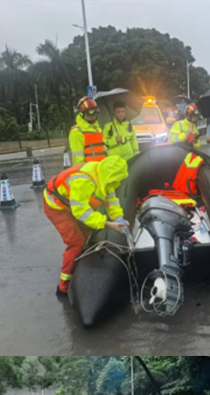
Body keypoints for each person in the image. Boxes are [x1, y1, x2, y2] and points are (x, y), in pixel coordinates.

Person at [44, 155, 130, 296]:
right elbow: (80, 211)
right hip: (57, 206)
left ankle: (79, 266)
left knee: (86, 233)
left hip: (71, 203)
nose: (117, 183)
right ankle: (63, 287)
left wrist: (119, 218)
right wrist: (107, 224)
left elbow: (112, 200)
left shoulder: (105, 176)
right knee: (76, 243)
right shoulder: (84, 181)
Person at [68, 96, 108, 166]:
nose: (93, 115)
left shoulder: (98, 129)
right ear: (83, 114)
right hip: (89, 172)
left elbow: (105, 151)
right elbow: (78, 160)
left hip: (102, 170)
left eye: (95, 111)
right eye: (90, 112)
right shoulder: (77, 132)